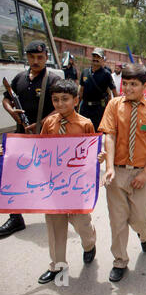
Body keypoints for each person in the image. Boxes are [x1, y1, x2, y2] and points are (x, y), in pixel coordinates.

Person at [98, 63, 146, 282]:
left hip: (141, 174)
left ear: (145, 85)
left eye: (133, 85)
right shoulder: (113, 105)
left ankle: (144, 235)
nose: (127, 88)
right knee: (117, 220)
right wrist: (109, 167)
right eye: (125, 83)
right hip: (117, 172)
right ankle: (120, 260)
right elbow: (109, 135)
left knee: (139, 218)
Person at [37, 79, 97, 284]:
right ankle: (57, 266)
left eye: (65, 99)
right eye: (55, 100)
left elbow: (91, 155)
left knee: (82, 224)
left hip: (76, 185)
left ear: (76, 100)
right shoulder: (49, 123)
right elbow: (41, 150)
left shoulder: (85, 124)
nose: (60, 104)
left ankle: (89, 244)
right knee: (55, 227)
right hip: (53, 185)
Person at [0, 40, 61, 237]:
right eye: (32, 57)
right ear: (27, 57)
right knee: (14, 176)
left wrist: (41, 123)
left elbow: (61, 108)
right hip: (21, 136)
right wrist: (11, 110)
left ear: (46, 58)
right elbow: (6, 98)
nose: (36, 61)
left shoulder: (51, 81)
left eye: (40, 58)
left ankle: (59, 213)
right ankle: (15, 217)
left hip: (44, 137)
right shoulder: (19, 78)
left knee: (48, 176)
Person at [79, 48, 117, 131]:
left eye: (98, 57)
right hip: (85, 108)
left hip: (98, 109)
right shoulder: (85, 72)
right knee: (82, 130)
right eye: (94, 56)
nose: (95, 59)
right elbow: (81, 90)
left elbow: (113, 91)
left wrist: (114, 107)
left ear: (102, 59)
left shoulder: (106, 74)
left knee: (96, 132)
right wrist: (78, 105)